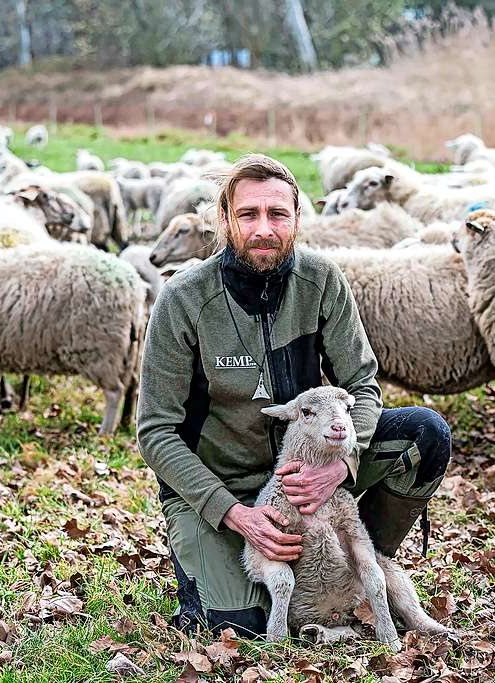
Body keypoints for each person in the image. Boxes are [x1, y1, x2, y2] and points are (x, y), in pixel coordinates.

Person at [136, 154, 451, 637]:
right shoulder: (184, 299)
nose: (265, 229)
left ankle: (357, 563)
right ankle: (239, 574)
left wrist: (339, 467)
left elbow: (363, 386)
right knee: (236, 628)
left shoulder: (321, 281)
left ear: (297, 219)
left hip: (312, 469)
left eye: (278, 214)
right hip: (226, 486)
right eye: (249, 215)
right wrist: (234, 511)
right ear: (224, 221)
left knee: (425, 435)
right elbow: (156, 431)